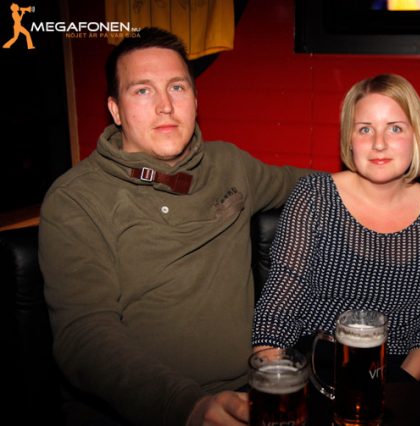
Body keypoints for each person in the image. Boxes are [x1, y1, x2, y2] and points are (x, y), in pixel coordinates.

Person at [38, 27, 310, 426]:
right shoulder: (76, 199)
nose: (165, 106)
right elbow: (84, 335)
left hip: (250, 393)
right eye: (142, 90)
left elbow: (307, 184)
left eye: (177, 88)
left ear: (196, 101)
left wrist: (384, 179)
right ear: (115, 110)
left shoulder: (229, 165)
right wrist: (187, 407)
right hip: (140, 412)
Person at [252, 74, 420, 382]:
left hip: (405, 369)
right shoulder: (314, 196)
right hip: (320, 367)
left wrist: (400, 385)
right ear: (349, 140)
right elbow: (277, 311)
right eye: (365, 129)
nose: (379, 143)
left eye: (395, 128)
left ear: (417, 136)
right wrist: (275, 384)